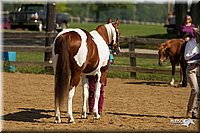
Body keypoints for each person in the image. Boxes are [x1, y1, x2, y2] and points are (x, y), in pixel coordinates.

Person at [184, 27, 200, 118]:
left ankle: (195, 111)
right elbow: (186, 57)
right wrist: (196, 55)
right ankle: (189, 111)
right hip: (191, 69)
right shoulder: (190, 43)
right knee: (195, 90)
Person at [179, 15, 196, 87]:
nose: (187, 20)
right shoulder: (182, 26)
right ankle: (184, 80)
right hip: (184, 43)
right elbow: (180, 33)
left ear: (190, 19)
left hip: (191, 43)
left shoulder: (193, 26)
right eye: (186, 18)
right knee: (183, 61)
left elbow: (195, 34)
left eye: (188, 19)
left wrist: (190, 37)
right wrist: (183, 37)